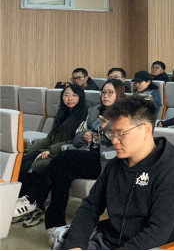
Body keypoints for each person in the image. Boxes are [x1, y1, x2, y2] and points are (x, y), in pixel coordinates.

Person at [63, 97, 174, 251]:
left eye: (121, 134)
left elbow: (156, 233)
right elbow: (90, 207)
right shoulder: (115, 165)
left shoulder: (171, 173)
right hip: (109, 241)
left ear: (146, 130)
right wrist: (76, 245)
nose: (114, 141)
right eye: (112, 134)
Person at [23, 80, 127, 235]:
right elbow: (77, 137)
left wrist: (106, 130)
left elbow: (125, 142)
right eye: (104, 92)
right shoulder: (95, 111)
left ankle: (34, 199)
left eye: (110, 93)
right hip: (87, 154)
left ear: (119, 94)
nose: (105, 96)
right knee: (61, 174)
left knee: (64, 157)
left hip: (106, 160)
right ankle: (55, 225)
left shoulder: (125, 114)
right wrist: (83, 136)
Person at [13, 84, 89, 227]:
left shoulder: (84, 115)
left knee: (33, 166)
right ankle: (21, 201)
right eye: (66, 95)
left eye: (74, 95)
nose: (70, 98)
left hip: (63, 152)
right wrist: (29, 151)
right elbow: (50, 137)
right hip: (50, 148)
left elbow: (74, 141)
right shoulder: (62, 112)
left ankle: (37, 206)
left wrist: (50, 151)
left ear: (80, 97)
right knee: (22, 162)